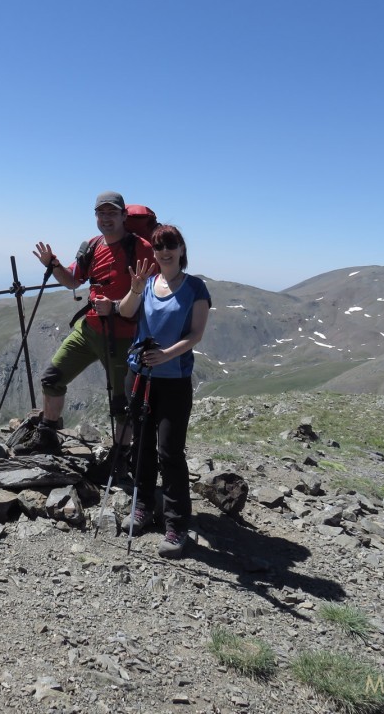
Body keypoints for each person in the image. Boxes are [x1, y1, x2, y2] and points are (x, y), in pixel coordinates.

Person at [20, 191, 154, 458]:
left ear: (124, 215)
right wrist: (53, 263)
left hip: (122, 337)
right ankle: (47, 436)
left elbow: (153, 293)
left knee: (121, 404)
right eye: (101, 213)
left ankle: (120, 456)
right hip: (89, 330)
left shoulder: (140, 248)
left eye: (112, 213)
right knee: (52, 378)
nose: (106, 218)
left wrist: (115, 307)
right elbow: (72, 280)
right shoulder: (93, 246)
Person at [117, 224, 210, 558]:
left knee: (170, 451)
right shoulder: (148, 284)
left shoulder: (195, 288)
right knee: (141, 445)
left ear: (182, 249)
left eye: (170, 245)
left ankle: (176, 523)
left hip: (173, 379)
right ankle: (141, 506)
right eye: (158, 247)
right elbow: (126, 312)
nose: (164, 252)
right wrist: (135, 289)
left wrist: (166, 355)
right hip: (139, 374)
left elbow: (196, 333)